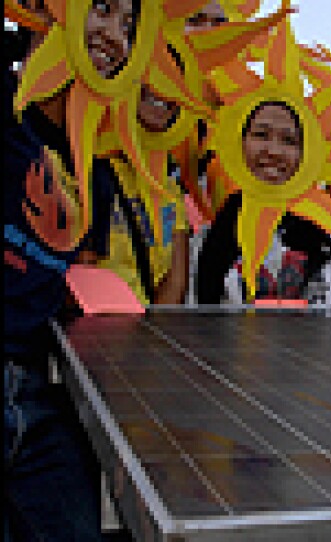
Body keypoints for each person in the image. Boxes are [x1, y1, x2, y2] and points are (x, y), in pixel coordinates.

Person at [4, 0, 132, 537]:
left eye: (129, 25)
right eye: (101, 8)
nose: (115, 35)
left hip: (47, 396)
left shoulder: (95, 172)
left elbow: (83, 290)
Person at [195, 101, 331, 314]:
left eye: (289, 140)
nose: (274, 151)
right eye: (261, 135)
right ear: (240, 142)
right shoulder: (221, 224)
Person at [98, 83, 190, 305]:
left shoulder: (169, 186)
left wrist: (151, 325)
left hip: (150, 323)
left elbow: (176, 281)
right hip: (97, 321)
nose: (163, 82)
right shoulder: (87, 169)